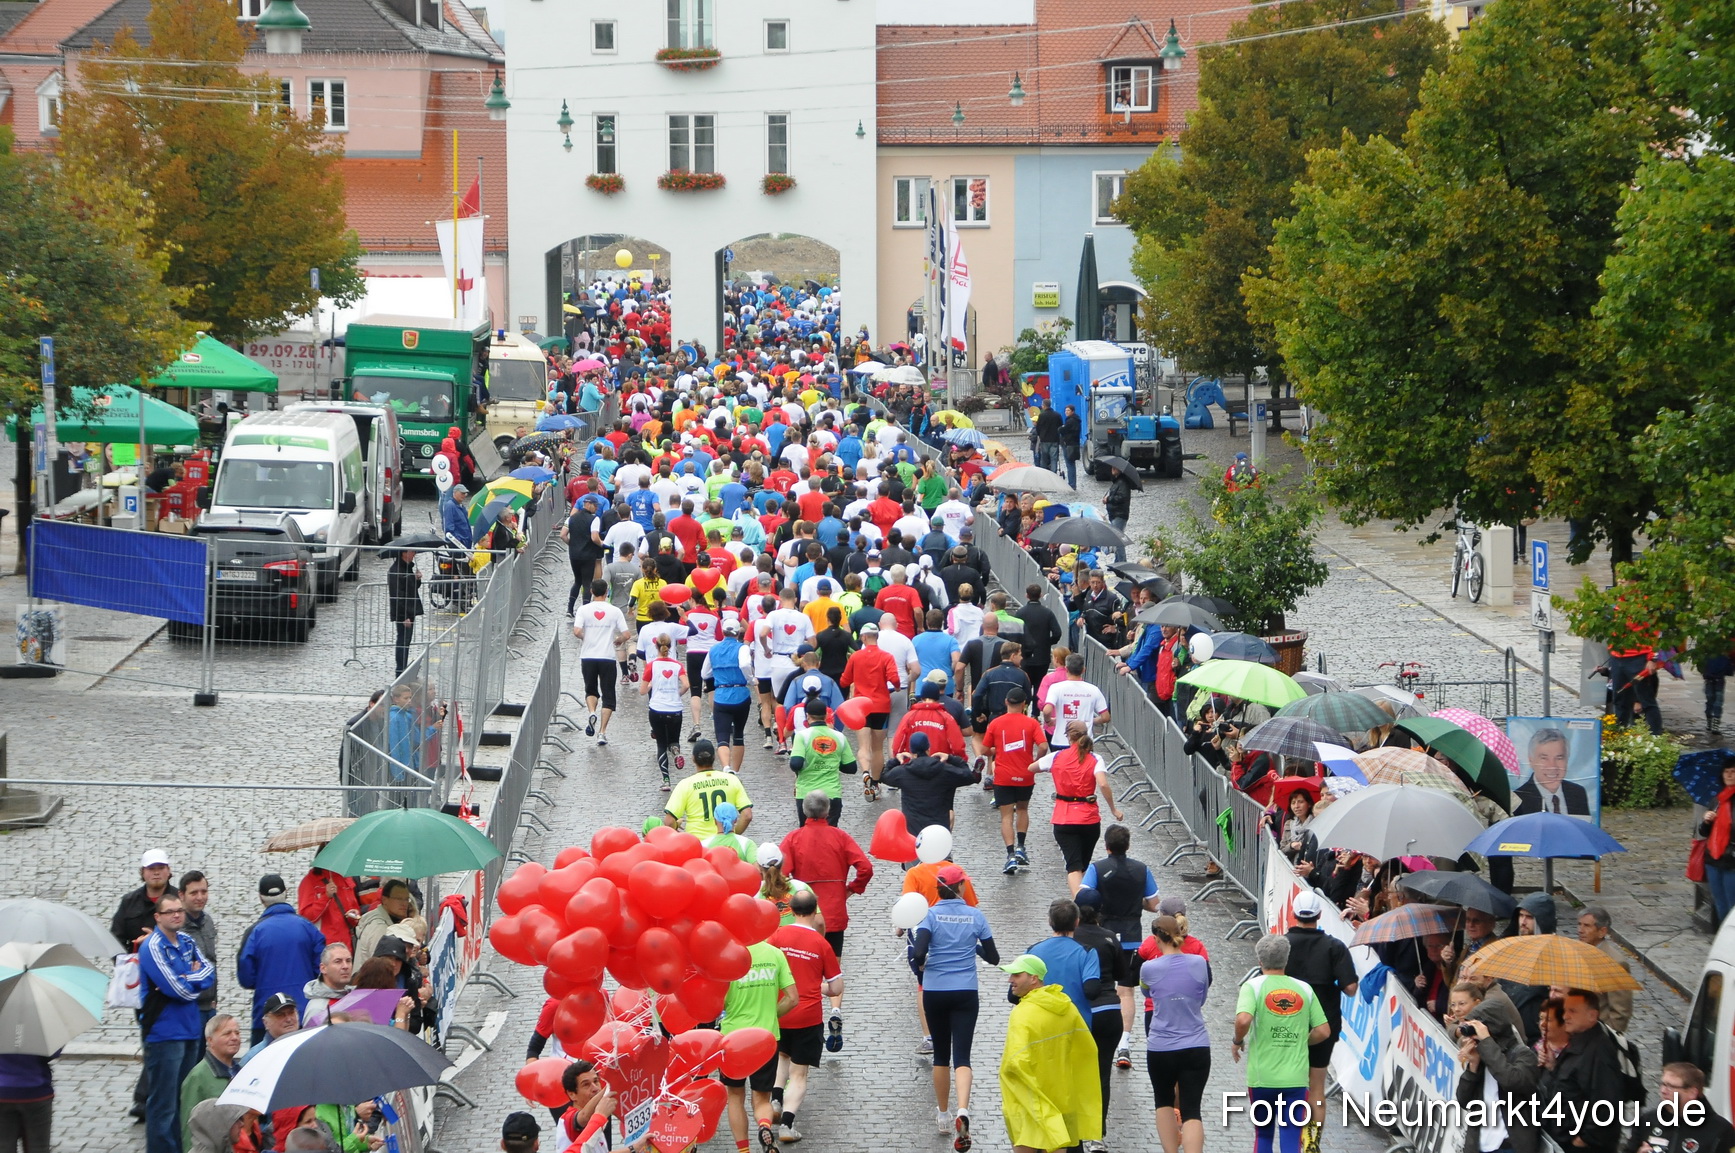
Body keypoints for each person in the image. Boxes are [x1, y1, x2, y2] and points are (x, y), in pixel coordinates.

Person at [910, 864, 998, 1151]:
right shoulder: (976, 916)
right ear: (960, 887)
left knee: (940, 1056)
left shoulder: (929, 915)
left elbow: (919, 951)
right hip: (965, 992)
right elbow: (994, 957)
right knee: (962, 1056)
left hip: (935, 991)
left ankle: (944, 1115)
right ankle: (963, 1110)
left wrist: (921, 968)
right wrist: (974, 947)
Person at [1233, 934, 1330, 1153]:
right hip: (1295, 1079)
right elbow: (1323, 1031)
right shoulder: (1304, 989)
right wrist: (1303, 1040)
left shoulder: (1253, 987)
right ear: (1286, 960)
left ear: (1260, 961)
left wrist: (1237, 1040)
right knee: (1291, 1137)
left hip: (1262, 1078)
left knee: (1264, 1135)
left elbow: (1243, 1019)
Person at [999, 954, 1103, 1153]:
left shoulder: (1022, 1013)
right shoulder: (1067, 1008)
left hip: (1028, 1097)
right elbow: (1086, 1048)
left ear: (1034, 978)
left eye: (1016, 975)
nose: (1010, 980)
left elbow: (1014, 1061)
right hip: (1060, 1096)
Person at [139, 892, 217, 1153]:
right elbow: (176, 989)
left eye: (179, 911)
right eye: (170, 911)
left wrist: (188, 977)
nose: (176, 915)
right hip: (164, 1033)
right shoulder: (152, 946)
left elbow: (209, 972)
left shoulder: (185, 940)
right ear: (157, 917)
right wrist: (191, 979)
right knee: (163, 1103)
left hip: (189, 1029)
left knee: (182, 1099)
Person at [1281, 891, 1358, 1148]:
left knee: (1286, 1086)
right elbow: (1351, 988)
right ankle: (1312, 1144)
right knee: (1316, 1088)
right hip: (1323, 1024)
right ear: (1320, 915)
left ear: (1293, 914)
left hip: (1286, 1020)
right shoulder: (1334, 946)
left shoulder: (1281, 944)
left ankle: (1288, 1140)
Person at [767, 890, 843, 1143]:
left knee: (782, 1055)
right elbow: (836, 988)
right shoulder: (822, 945)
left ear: (790, 909)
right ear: (815, 910)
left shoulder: (777, 936)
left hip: (780, 1012)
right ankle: (787, 1126)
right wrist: (817, 987)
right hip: (807, 1016)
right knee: (799, 1074)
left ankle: (775, 1099)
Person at [1080, 825, 1158, 1067]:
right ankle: (1124, 1044)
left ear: (1106, 846)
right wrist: (1137, 903)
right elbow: (1154, 905)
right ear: (1128, 845)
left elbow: (1084, 901)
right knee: (1126, 991)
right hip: (1132, 935)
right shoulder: (1142, 870)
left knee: (1098, 984)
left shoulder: (1097, 868)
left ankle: (1091, 1037)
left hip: (1102, 935)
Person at [720, 931, 798, 1153]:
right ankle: (764, 1127)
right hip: (766, 1038)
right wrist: (771, 1015)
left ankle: (744, 1150)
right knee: (762, 1098)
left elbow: (718, 1004)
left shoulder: (726, 957)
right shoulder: (774, 954)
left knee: (735, 1097)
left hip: (732, 1040)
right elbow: (792, 998)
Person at [1141, 914, 1212, 1153]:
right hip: (1196, 1043)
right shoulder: (1199, 963)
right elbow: (1201, 998)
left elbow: (1147, 995)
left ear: (1155, 939)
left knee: (1163, 1102)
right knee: (1192, 1109)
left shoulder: (1148, 968)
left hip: (1161, 1045)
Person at [1071, 890, 1133, 1148]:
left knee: (1073, 1075)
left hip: (1078, 1014)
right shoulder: (1109, 938)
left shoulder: (1070, 938)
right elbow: (1122, 974)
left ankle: (1073, 1132)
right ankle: (1097, 1134)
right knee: (1101, 1075)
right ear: (1100, 912)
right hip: (1108, 1013)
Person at [1537, 990, 1635, 1153]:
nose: (1565, 1016)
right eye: (1565, 1010)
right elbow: (1570, 1083)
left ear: (1592, 1016)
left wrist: (1583, 1140)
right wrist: (1553, 1066)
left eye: (1572, 1011)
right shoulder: (1578, 1041)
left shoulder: (1599, 1052)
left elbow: (1606, 1102)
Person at [235, 874, 324, 1045]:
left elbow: (246, 978)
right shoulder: (307, 928)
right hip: (303, 1012)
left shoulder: (255, 932)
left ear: (261, 898)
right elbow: (320, 969)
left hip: (266, 1013)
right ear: (286, 893)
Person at [1452, 981, 1541, 1153]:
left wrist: (1486, 1042)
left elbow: (1510, 1080)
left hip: (1509, 1145)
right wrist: (1473, 1067)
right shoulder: (1482, 1057)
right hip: (1479, 1145)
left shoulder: (1523, 1055)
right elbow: (1463, 1099)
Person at [780, 791, 873, 956]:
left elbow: (781, 876)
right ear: (827, 811)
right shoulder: (841, 837)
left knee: (806, 966)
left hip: (805, 914)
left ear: (804, 810)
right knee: (834, 968)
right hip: (835, 912)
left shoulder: (793, 838)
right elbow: (865, 868)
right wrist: (851, 888)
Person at [1039, 723, 1125, 895]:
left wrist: (1055, 770)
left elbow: (1032, 768)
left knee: (1073, 867)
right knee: (1082, 866)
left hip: (1064, 818)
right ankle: (1082, 901)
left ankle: (1080, 903)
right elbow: (1102, 783)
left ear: (1068, 737)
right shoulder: (1095, 758)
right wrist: (1113, 809)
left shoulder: (1056, 757)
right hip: (1088, 819)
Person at [983, 689, 1047, 874]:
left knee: (1006, 816)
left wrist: (996, 752)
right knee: (1022, 809)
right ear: (1024, 704)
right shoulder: (1031, 723)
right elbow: (1043, 745)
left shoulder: (996, 723)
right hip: (1025, 774)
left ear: (1006, 702)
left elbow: (985, 748)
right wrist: (1036, 762)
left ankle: (1010, 855)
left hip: (1003, 776)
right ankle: (1021, 847)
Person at [839, 623, 902, 795]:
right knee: (877, 747)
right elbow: (894, 678)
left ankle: (865, 772)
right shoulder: (886, 657)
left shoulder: (856, 657)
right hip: (881, 705)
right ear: (877, 637)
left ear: (864, 637)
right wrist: (896, 687)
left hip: (860, 706)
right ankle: (874, 782)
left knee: (863, 746)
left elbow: (844, 681)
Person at [883, 731, 979, 834]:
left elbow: (883, 776)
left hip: (913, 833)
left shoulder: (903, 772)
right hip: (939, 830)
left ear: (911, 752)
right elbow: (971, 776)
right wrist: (951, 758)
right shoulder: (944, 770)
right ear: (928, 749)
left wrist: (896, 760)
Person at [1628, 1063, 1735, 1153]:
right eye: (1663, 1084)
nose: (1663, 1091)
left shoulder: (1720, 1131)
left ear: (1692, 1093)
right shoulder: (1646, 1121)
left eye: (1670, 1086)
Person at [574, 579, 631, 747]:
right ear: (607, 592)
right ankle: (602, 732)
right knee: (608, 695)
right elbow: (627, 634)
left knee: (590, 690)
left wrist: (586, 637)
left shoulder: (583, 609)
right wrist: (618, 640)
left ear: (591, 591)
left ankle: (592, 712)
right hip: (607, 657)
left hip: (588, 656)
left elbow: (577, 631)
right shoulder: (614, 611)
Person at [664, 739, 754, 839]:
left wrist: (677, 827)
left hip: (699, 847)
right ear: (714, 757)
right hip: (726, 847)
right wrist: (733, 835)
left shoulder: (685, 785)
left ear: (693, 759)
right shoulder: (732, 780)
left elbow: (669, 822)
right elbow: (747, 815)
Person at [178, 1014, 242, 1149]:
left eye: (237, 1032)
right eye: (227, 1034)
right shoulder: (198, 1077)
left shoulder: (241, 1072)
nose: (235, 1038)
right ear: (210, 1040)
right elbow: (189, 1127)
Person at [640, 632, 690, 789]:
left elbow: (642, 690)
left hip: (657, 709)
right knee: (674, 739)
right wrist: (678, 694)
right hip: (675, 708)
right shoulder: (677, 665)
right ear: (670, 646)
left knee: (661, 744)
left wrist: (651, 685)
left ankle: (666, 780)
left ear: (656, 646)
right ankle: (676, 750)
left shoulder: (652, 665)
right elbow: (687, 684)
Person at [1575, 906, 1635, 1034]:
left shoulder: (1615, 963)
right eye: (1579, 924)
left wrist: (1607, 1036)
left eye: (1587, 926)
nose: (1580, 930)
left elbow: (1621, 1011)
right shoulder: (1576, 952)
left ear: (1602, 931)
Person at [1513, 727, 1591, 816]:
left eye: (1559, 758)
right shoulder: (1518, 800)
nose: (1552, 766)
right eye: (1544, 758)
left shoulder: (1578, 793)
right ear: (1531, 761)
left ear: (1567, 760)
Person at [178, 871, 219, 1031]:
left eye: (204, 891)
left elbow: (212, 961)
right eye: (194, 893)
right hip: (188, 1008)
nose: (200, 897)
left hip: (209, 1006)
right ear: (182, 895)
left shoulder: (207, 921)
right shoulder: (177, 928)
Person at [1042, 654, 1111, 744]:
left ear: (1066, 669)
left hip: (1061, 740)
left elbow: (1047, 711)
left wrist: (1048, 721)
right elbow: (1105, 717)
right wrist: (1091, 720)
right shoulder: (1094, 689)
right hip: (1084, 742)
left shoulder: (1055, 688)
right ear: (1083, 670)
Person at [353, 879, 416, 966]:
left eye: (406, 899)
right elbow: (382, 966)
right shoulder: (379, 927)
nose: (404, 903)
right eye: (398, 898)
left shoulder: (386, 920)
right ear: (385, 900)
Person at [297, 867, 359, 949]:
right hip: (323, 946)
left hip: (347, 945)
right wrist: (326, 896)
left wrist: (354, 915)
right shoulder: (310, 881)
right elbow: (306, 917)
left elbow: (354, 909)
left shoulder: (346, 879)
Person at [386, 548, 424, 676]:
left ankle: (402, 669)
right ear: (404, 553)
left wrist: (417, 579)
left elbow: (411, 588)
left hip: (409, 610)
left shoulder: (407, 568)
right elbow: (397, 596)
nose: (414, 554)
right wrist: (404, 617)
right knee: (402, 641)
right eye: (412, 551)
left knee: (405, 641)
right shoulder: (396, 570)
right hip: (404, 613)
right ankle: (400, 670)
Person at [302, 942, 354, 1022]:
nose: (345, 966)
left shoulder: (356, 996)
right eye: (338, 961)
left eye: (348, 961)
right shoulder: (318, 1008)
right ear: (323, 968)